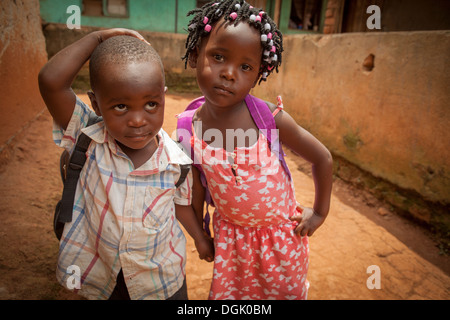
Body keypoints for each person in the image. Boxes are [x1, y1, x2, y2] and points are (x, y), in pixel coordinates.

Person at [38, 28, 213, 300]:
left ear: (164, 97)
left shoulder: (177, 162)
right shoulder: (88, 136)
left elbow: (181, 208)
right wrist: (97, 39)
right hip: (100, 276)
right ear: (96, 103)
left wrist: (200, 240)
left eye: (151, 104)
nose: (137, 120)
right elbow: (51, 81)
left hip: (160, 281)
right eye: (120, 106)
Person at [178, 0, 333, 300]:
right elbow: (195, 186)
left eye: (245, 67)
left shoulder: (270, 119)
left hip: (281, 242)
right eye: (218, 57)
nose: (229, 73)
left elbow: (322, 158)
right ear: (196, 55)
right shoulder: (187, 128)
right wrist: (201, 237)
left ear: (259, 72)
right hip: (231, 245)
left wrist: (319, 213)